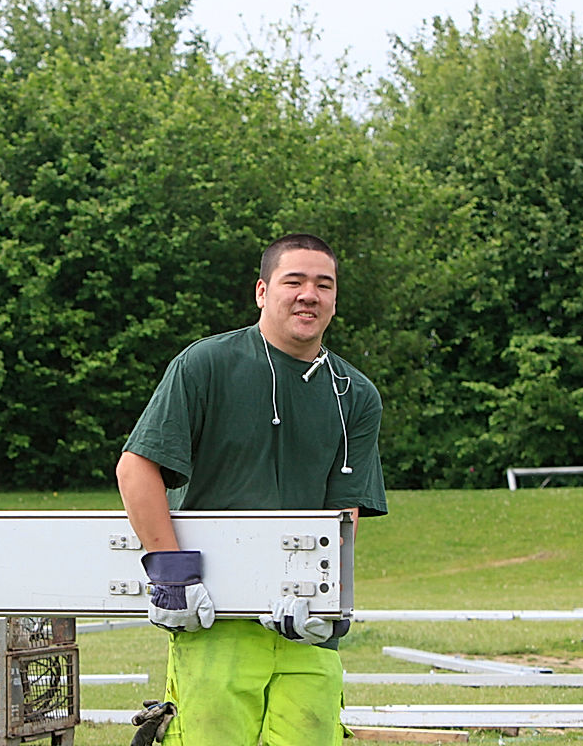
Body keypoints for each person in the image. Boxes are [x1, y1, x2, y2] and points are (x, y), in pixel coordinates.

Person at [116, 233, 388, 746]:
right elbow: (136, 469)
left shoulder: (355, 394)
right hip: (214, 618)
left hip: (303, 626)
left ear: (334, 300)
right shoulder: (207, 365)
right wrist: (171, 572)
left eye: (323, 285)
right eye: (295, 281)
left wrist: (327, 607)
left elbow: (343, 515)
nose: (309, 294)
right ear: (262, 291)